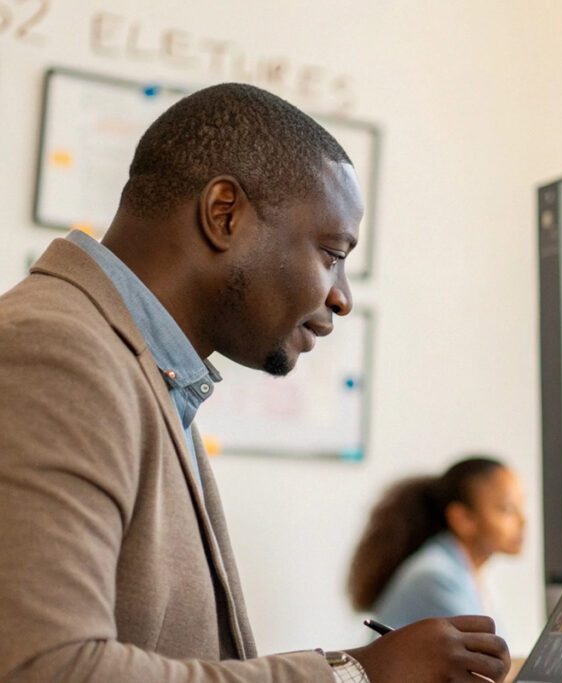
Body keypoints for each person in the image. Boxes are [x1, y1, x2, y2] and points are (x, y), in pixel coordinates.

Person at [0, 83, 509, 683]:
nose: (341, 297)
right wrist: (354, 676)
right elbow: (46, 668)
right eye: (330, 252)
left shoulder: (144, 370)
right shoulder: (57, 352)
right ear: (224, 214)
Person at [348, 457, 525, 635]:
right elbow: (489, 652)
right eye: (507, 509)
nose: (522, 521)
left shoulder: (464, 570)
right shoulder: (438, 578)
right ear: (462, 519)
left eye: (521, 506)